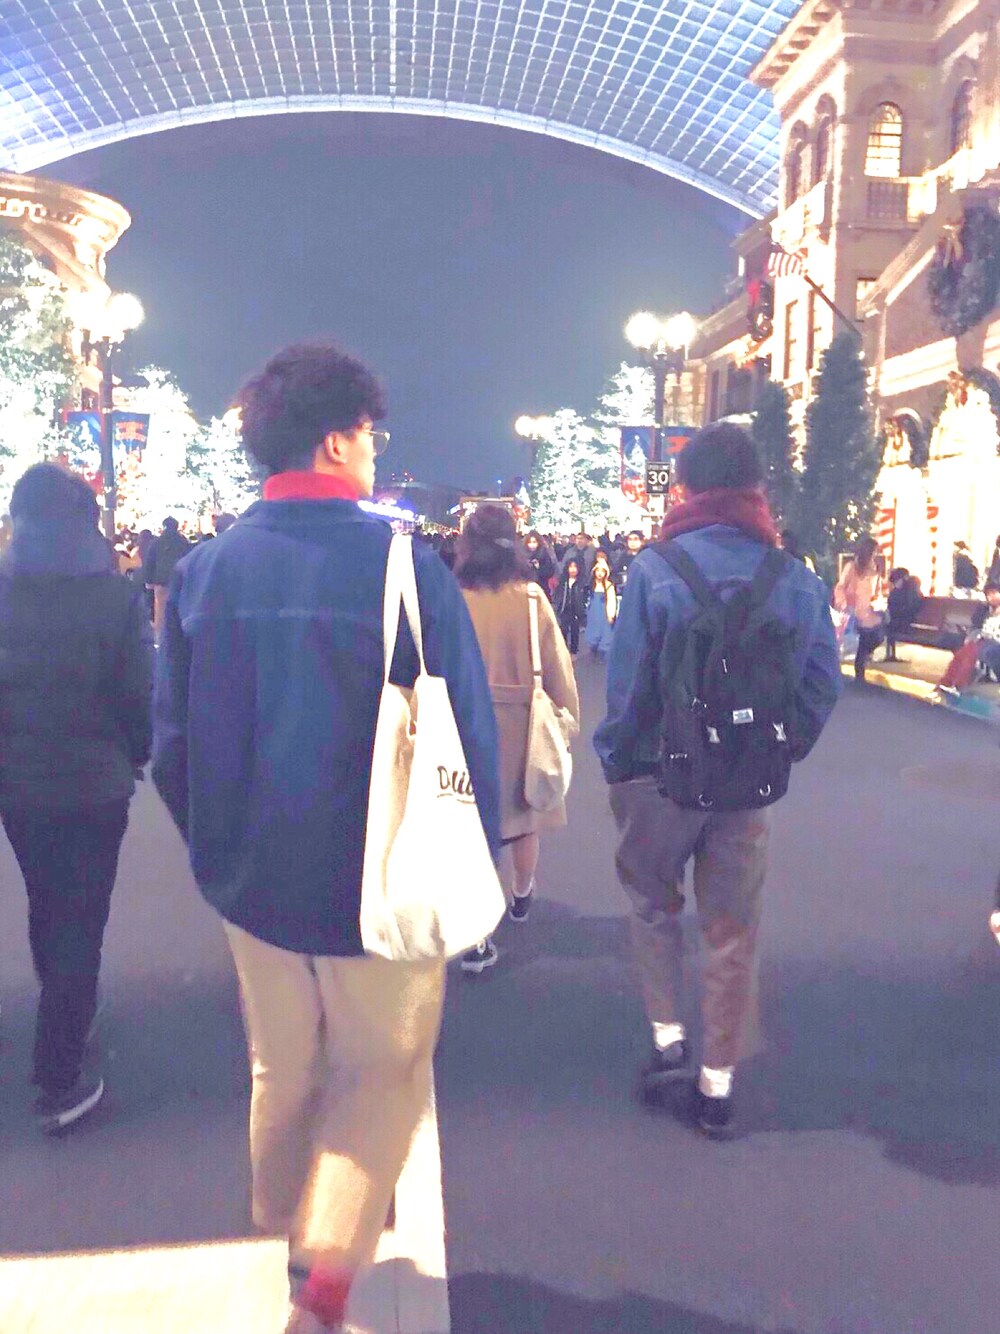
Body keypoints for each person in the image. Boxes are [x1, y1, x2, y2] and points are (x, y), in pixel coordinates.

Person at [151, 343, 500, 1334]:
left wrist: (217, 845)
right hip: (381, 872)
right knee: (382, 1068)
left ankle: (283, 1231)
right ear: (338, 440)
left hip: (250, 877)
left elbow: (169, 742)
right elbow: (467, 732)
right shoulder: (404, 566)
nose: (374, 450)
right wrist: (474, 844)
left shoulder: (208, 570)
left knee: (282, 1066)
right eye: (370, 435)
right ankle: (325, 1278)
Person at [594, 423, 840, 1139]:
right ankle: (717, 1084)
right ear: (756, 489)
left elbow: (628, 687)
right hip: (747, 786)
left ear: (687, 489)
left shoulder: (656, 569)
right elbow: (820, 685)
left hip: (660, 779)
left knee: (653, 905)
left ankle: (669, 1040)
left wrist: (618, 762)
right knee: (732, 928)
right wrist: (780, 748)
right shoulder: (794, 578)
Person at [0, 464, 152, 1133]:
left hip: (18, 782)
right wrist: (136, 752)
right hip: (95, 782)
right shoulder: (114, 597)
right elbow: (137, 692)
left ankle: (62, 1012)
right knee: (82, 917)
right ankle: (58, 1076)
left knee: (46, 898)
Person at [455, 505, 579, 971]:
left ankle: (477, 936)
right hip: (522, 723)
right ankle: (522, 894)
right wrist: (566, 718)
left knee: (472, 827)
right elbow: (557, 666)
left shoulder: (454, 597)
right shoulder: (530, 598)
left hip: (465, 722)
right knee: (524, 818)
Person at [833, 536, 885, 681]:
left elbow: (877, 591)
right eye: (873, 551)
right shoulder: (852, 566)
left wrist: (879, 602)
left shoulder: (875, 568)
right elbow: (840, 587)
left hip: (868, 612)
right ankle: (859, 676)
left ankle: (862, 664)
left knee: (878, 636)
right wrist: (843, 603)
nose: (875, 554)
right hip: (852, 610)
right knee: (857, 645)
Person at [144, 515, 191, 641]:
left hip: (161, 582)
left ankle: (161, 640)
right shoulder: (183, 542)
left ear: (164, 526)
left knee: (161, 613)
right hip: (180, 582)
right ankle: (178, 638)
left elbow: (150, 563)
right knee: (179, 612)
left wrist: (149, 583)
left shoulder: (157, 542)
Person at [884, 567, 923, 662]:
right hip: (901, 621)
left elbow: (909, 609)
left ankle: (885, 654)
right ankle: (888, 654)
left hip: (905, 622)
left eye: (896, 581)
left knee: (883, 625)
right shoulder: (901, 591)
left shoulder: (909, 592)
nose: (895, 584)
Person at [584, 549, 618, 657]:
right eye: (597, 571)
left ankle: (604, 649)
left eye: (602, 571)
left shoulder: (608, 585)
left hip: (603, 612)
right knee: (593, 630)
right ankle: (593, 646)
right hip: (593, 611)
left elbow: (611, 601)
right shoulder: (591, 584)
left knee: (604, 631)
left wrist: (611, 614)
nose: (599, 573)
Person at [554, 556, 586, 654]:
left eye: (575, 567)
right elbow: (558, 594)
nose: (573, 569)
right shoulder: (563, 581)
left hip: (576, 610)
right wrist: (557, 606)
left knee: (575, 631)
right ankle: (563, 649)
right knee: (563, 629)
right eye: (571, 567)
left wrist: (582, 608)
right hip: (564, 609)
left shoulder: (581, 582)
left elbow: (584, 596)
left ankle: (573, 651)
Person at [523, 529, 557, 595]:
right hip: (526, 588)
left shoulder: (544, 554)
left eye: (534, 542)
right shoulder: (523, 555)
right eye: (529, 542)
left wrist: (538, 567)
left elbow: (550, 572)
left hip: (542, 588)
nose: (532, 545)